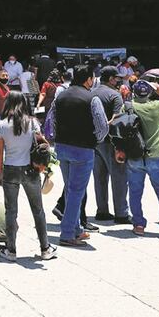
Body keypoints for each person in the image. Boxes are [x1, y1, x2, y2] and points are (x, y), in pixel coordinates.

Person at [0, 91, 56, 261]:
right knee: (38, 210)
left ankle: (11, 250)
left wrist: (0, 172)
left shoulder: (1, 125)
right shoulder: (33, 123)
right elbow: (43, 143)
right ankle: (45, 248)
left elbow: (0, 154)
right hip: (30, 170)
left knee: (11, 211)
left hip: (10, 169)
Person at [53, 65, 108, 246]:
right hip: (83, 149)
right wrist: (95, 141)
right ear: (89, 80)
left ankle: (75, 228)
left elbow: (51, 120)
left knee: (70, 189)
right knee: (77, 192)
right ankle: (67, 233)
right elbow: (102, 126)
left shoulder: (60, 96)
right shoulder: (92, 98)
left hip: (62, 147)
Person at [127, 80, 159, 238]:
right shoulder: (158, 106)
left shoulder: (128, 106)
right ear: (149, 93)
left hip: (135, 156)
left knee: (135, 192)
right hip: (155, 154)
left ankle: (139, 224)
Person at [92, 66, 130, 224]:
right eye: (116, 78)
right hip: (111, 142)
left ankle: (102, 211)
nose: (118, 80)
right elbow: (117, 120)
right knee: (119, 177)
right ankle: (121, 213)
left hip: (93, 142)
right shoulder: (115, 96)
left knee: (99, 178)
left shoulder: (91, 93)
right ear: (110, 79)